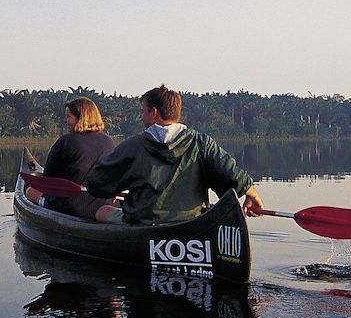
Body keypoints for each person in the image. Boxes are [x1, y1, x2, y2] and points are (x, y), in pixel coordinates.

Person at [84, 85, 264, 224]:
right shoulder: (201, 143)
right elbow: (231, 173)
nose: (141, 116)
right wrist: (251, 193)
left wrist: (114, 187)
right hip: (191, 224)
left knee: (103, 211)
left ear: (154, 113)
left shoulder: (133, 146)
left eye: (142, 111)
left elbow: (96, 183)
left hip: (144, 224)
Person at [25, 97, 116, 220]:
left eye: (68, 117)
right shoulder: (109, 141)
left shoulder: (66, 141)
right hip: (102, 204)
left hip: (72, 206)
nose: (65, 120)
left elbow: (48, 178)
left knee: (30, 191)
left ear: (81, 118)